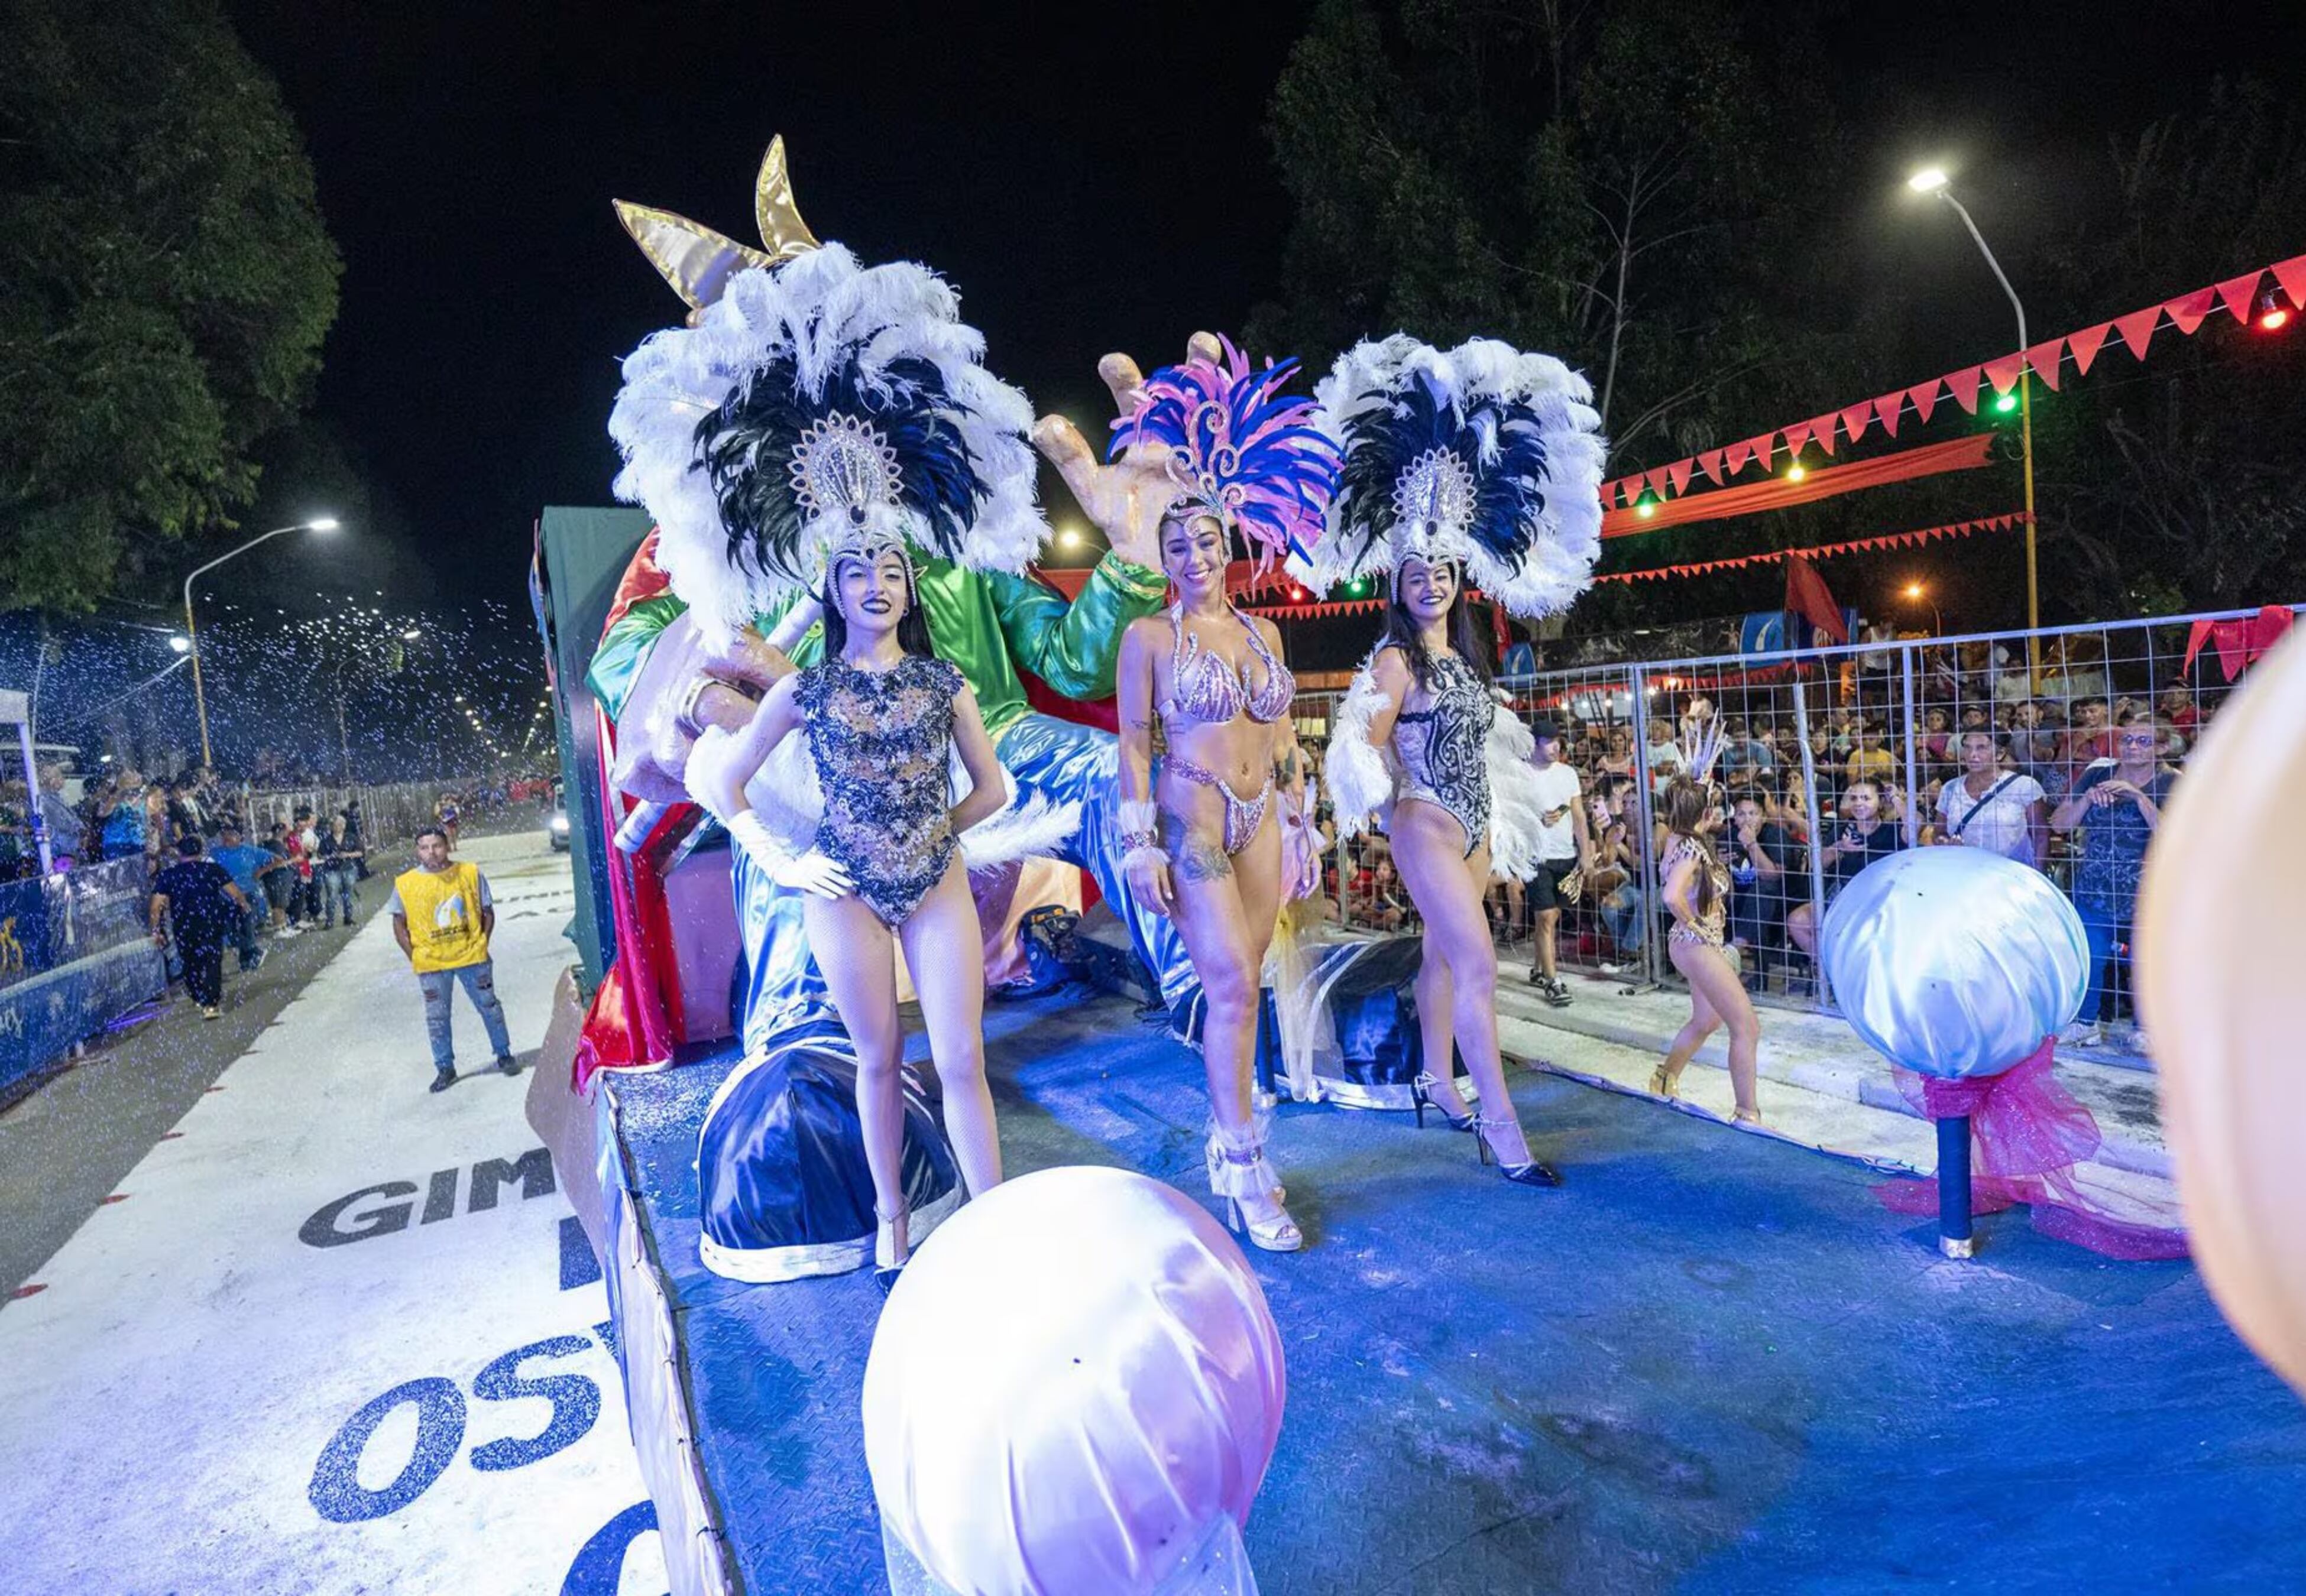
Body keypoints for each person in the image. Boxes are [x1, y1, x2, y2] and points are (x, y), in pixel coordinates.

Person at [1320, 331, 1606, 1189]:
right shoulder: (1395, 662)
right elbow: (1361, 748)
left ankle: (1437, 1080)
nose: (1431, 582)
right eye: (1417, 573)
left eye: (1443, 570)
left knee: (1446, 960)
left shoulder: (1466, 662)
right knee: (1480, 963)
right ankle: (1501, 1125)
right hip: (1426, 829)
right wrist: (1389, 812)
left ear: (1459, 577)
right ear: (1398, 582)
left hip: (1476, 826)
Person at [691, 538, 1015, 1275]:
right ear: (833, 592)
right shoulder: (804, 690)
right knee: (878, 1058)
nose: (877, 585)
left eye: (893, 572)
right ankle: (891, 1216)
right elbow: (726, 784)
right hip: (843, 893)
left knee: (963, 1056)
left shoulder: (944, 684)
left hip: (936, 883)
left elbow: (993, 790)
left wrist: (932, 834)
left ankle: (996, 1217)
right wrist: (787, 862)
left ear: (910, 591)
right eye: (857, 572)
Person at [1107, 339, 1334, 1253]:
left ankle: (1228, 1131)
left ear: (1229, 544)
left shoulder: (1269, 634)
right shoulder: (1147, 640)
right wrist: (1138, 841)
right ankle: (1242, 1158)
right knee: (1233, 983)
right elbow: (1133, 739)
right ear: (1162, 555)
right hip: (1193, 812)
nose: (1195, 553)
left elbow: (1281, 734)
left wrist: (1302, 814)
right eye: (1177, 543)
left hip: (1262, 822)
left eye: (1206, 539)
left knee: (1253, 989)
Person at [2050, 718, 2174, 1050]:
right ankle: (2085, 1024)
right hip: (2096, 887)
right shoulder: (2097, 774)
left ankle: (2147, 1027)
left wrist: (2139, 798)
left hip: (2150, 893)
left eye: (2144, 741)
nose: (2133, 746)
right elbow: (2060, 824)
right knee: (2088, 958)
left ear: (2162, 747)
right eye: (2128, 740)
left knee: (2147, 962)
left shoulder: (2173, 782)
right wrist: (2087, 799)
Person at [1653, 773, 1763, 1123]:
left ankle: (1665, 1077)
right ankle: (1747, 1113)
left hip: (1691, 945)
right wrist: (1695, 924)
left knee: (1706, 1019)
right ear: (1706, 811)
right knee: (1746, 1026)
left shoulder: (1679, 839)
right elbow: (1671, 896)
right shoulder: (1691, 847)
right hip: (1697, 945)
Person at [390, 825, 518, 1092]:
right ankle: (445, 1068)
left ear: (447, 846)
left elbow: (487, 911)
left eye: (436, 846)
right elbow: (399, 924)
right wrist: (415, 955)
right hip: (432, 964)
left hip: (472, 958)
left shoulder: (469, 873)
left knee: (489, 1006)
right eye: (424, 848)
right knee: (437, 1018)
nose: (431, 853)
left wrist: (481, 942)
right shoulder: (405, 884)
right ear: (418, 851)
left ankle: (504, 1053)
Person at [1784, 777, 1909, 962]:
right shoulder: (1842, 829)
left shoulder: (1892, 831)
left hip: (1877, 904)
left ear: (1881, 801)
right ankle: (1830, 967)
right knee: (1797, 921)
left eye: (1866, 798)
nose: (1859, 804)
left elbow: (1916, 826)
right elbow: (1815, 863)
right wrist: (1839, 847)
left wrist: (1896, 799)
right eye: (1854, 798)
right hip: (1841, 899)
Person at [1521, 719, 1594, 1007]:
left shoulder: (1567, 774)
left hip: (1564, 854)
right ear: (1535, 743)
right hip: (1536, 854)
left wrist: (1586, 852)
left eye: (1558, 741)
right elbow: (1511, 812)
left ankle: (1539, 969)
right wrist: (1535, 820)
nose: (1556, 747)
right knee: (1546, 916)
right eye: (1549, 742)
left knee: (1553, 916)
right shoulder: (1521, 773)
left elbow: (1578, 816)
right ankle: (1553, 981)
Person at [149, 834, 249, 1020]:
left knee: (190, 962)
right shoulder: (213, 870)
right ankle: (211, 1004)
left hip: (184, 926)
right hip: (211, 922)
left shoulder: (169, 875)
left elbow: (156, 906)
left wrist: (156, 930)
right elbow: (235, 893)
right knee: (212, 961)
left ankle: (198, 995)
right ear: (201, 851)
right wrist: (243, 905)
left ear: (179, 853)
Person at [1935, 729, 2048, 867]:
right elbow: (1940, 831)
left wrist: (2037, 874)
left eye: (1981, 748)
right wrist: (1944, 842)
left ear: (2000, 754)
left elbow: (2041, 836)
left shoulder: (2024, 787)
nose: (1972, 755)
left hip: (2012, 876)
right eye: (1967, 747)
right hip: (1963, 873)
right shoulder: (1950, 789)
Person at [208, 820, 277, 972]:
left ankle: (246, 962)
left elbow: (278, 859)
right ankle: (254, 951)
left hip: (248, 895)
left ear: (240, 837)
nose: (226, 837)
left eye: (231, 834)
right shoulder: (215, 853)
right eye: (224, 834)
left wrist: (262, 871)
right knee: (231, 932)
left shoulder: (251, 851)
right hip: (226, 898)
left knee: (247, 927)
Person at [315, 814, 361, 928]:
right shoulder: (326, 841)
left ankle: (348, 917)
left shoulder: (351, 838)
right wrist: (329, 857)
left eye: (340, 825)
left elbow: (360, 852)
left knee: (348, 893)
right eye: (335, 825)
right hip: (332, 869)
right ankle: (330, 919)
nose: (338, 827)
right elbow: (320, 855)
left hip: (348, 868)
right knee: (332, 894)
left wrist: (348, 855)